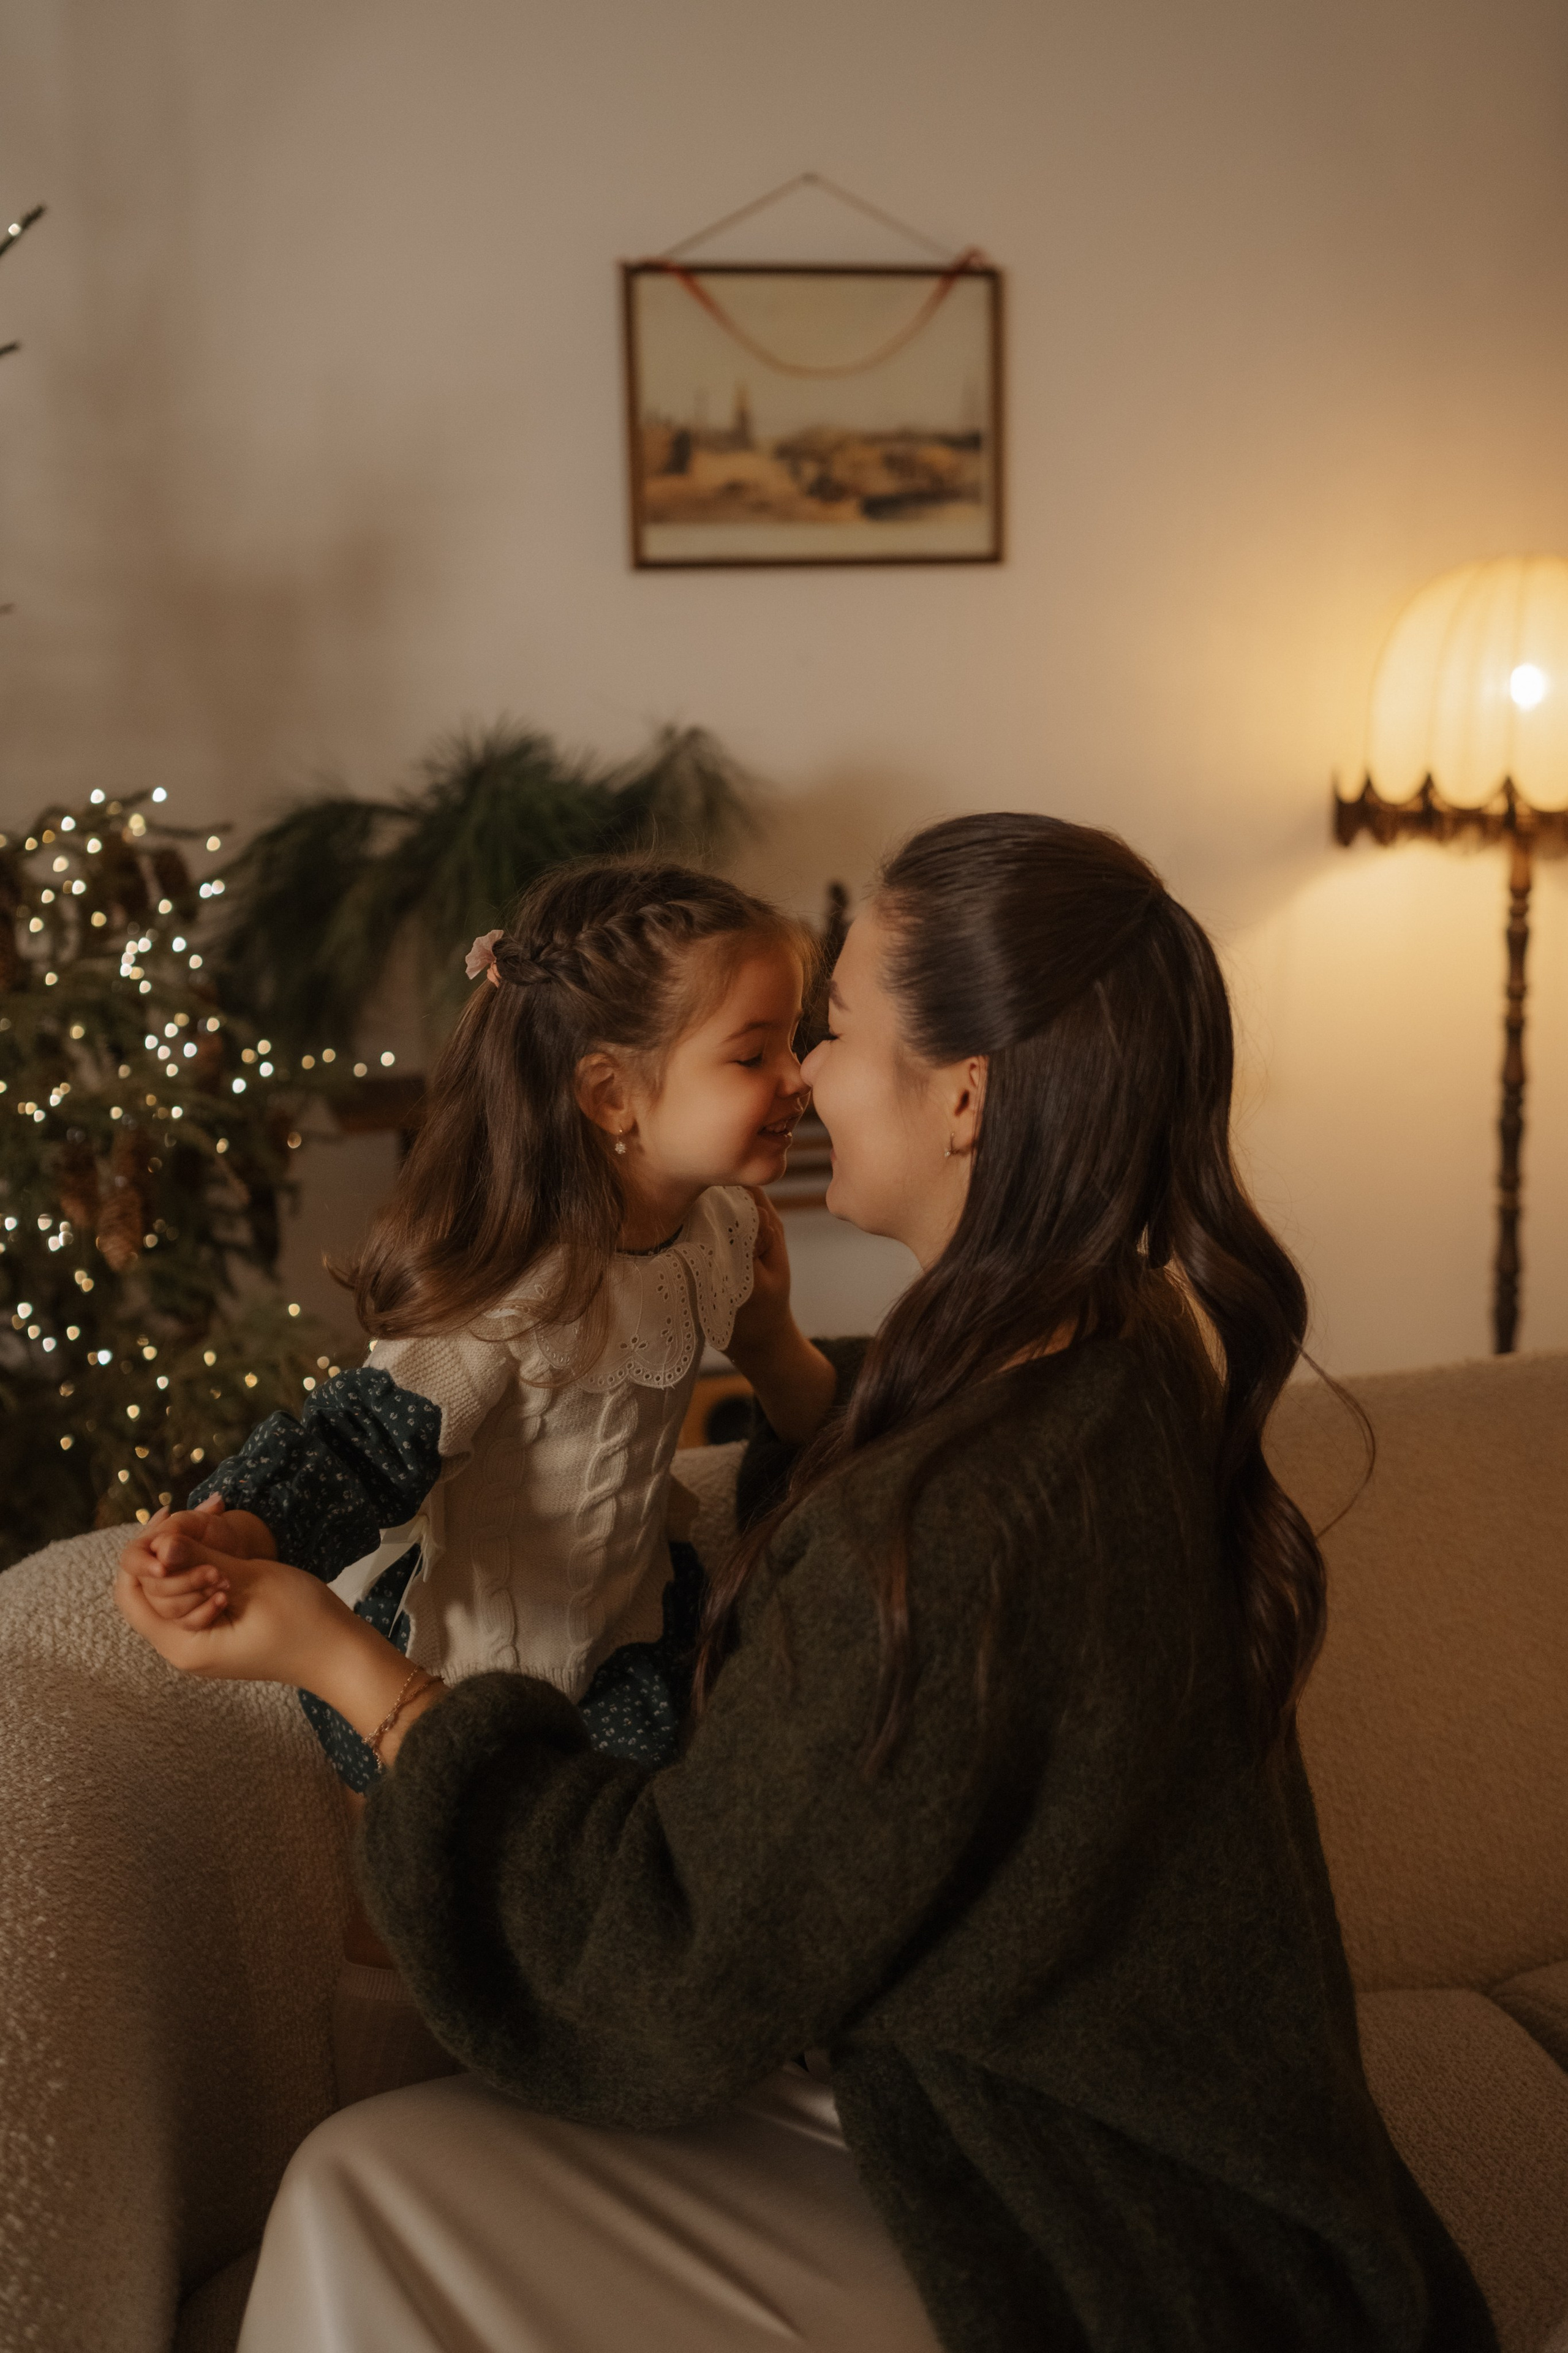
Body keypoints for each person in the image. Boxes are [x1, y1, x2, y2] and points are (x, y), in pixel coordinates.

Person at [116, 812, 1498, 2352]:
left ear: (966, 1095)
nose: (805, 1083)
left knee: (359, 2188)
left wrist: (344, 1665)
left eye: (830, 1032)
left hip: (1085, 2203)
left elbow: (661, 1964)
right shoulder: (1109, 1341)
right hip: (1084, 2096)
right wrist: (781, 1362)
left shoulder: (963, 1509)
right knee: (363, 2185)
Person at [118, 858, 834, 2101]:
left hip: (626, 1624)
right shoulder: (514, 1287)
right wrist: (232, 1526)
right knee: (413, 1905)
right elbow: (360, 1441)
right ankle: (393, 2103)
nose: (798, 1079)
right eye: (754, 1053)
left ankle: (611, 2084)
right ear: (610, 1093)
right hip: (467, 1648)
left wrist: (774, 1341)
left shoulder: (720, 1230)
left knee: (655, 1859)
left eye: (800, 1043)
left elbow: (799, 1402)